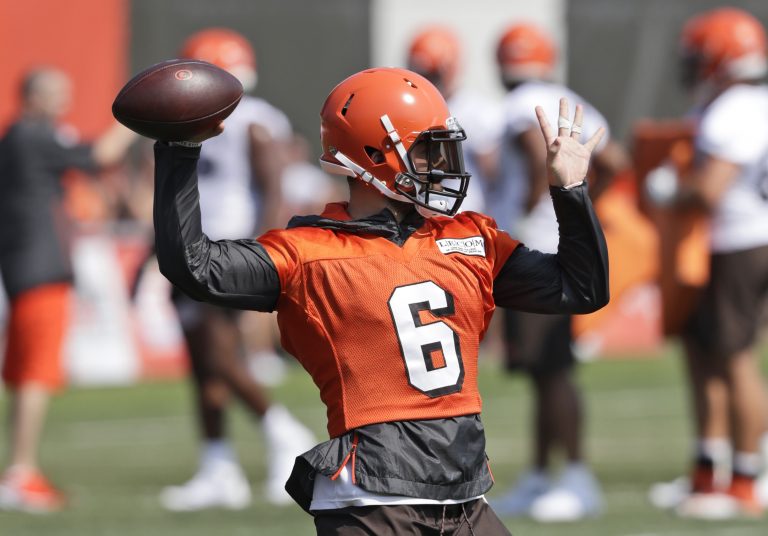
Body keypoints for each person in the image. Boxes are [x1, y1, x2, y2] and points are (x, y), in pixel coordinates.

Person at [151, 66, 608, 535]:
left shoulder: (471, 238)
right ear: (374, 153)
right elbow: (193, 266)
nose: (444, 163)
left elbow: (581, 288)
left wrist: (570, 191)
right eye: (428, 150)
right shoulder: (309, 252)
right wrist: (179, 151)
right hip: (374, 499)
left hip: (466, 495)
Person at [158, 28, 315, 511]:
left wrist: (263, 252)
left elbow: (273, 190)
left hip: (225, 252)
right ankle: (217, 465)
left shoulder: (255, 119)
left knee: (220, 356)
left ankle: (286, 433)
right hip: (192, 247)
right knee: (204, 364)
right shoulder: (191, 121)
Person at [487, 23, 629, 522]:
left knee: (551, 367)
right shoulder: (567, 96)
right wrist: (579, 209)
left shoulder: (518, 105)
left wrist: (531, 213)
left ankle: (574, 475)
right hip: (563, 242)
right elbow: (614, 160)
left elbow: (532, 154)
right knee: (544, 371)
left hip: (537, 247)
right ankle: (542, 474)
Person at [644, 7, 768, 518]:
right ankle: (710, 474)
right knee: (708, 356)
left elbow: (712, 189)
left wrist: (672, 189)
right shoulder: (746, 104)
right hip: (737, 241)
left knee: (734, 359)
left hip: (735, 242)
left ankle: (745, 480)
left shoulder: (734, 108)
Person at [0, 67, 136, 512]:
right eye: (55, 95)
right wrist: (142, 114)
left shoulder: (23, 138)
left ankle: (19, 471)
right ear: (32, 98)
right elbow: (99, 155)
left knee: (25, 375)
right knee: (36, 374)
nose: (63, 103)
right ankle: (21, 473)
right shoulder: (32, 135)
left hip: (27, 268)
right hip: (39, 271)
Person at [406, 26, 503, 213]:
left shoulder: (478, 110)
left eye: (432, 75)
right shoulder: (412, 107)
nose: (427, 81)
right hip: (422, 212)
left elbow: (494, 175)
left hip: (466, 214)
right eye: (422, 75)